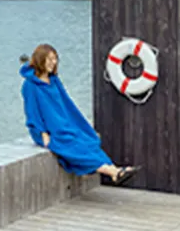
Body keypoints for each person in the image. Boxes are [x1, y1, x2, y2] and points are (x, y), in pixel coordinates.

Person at [20, 43, 141, 185]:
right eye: (49, 59)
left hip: (62, 123)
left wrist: (77, 123)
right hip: (47, 130)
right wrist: (42, 133)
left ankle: (114, 170)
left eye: (55, 59)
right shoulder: (30, 85)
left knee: (86, 139)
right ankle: (114, 172)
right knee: (72, 144)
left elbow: (67, 104)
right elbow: (32, 112)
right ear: (40, 60)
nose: (54, 63)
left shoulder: (54, 81)